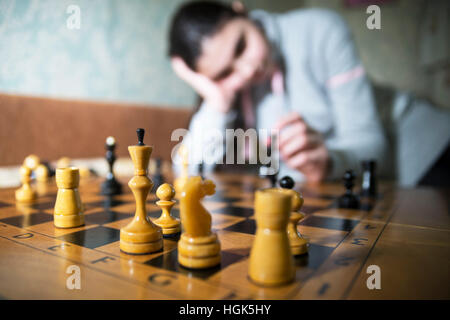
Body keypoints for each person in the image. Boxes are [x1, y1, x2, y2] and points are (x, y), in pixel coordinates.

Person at [168, 1, 450, 186]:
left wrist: (330, 162)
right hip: (356, 185)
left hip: (426, 149)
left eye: (241, 46)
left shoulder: (320, 28)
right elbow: (187, 172)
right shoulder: (229, 93)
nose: (247, 71)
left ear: (240, 10)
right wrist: (216, 101)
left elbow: (372, 146)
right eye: (223, 74)